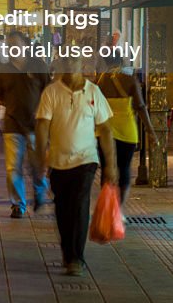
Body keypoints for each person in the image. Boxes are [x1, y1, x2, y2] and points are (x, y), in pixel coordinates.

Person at [35, 67, 117, 277]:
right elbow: (43, 125)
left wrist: (110, 164)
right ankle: (67, 251)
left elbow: (105, 129)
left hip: (86, 160)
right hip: (58, 162)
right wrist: (40, 156)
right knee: (63, 209)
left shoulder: (93, 92)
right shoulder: (51, 92)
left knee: (80, 205)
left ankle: (76, 258)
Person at [0, 31, 50, 218]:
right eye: (9, 45)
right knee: (13, 167)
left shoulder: (38, 66)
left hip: (36, 126)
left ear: (25, 45)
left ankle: (39, 192)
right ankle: (18, 204)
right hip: (12, 125)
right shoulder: (4, 69)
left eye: (16, 45)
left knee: (37, 166)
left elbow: (50, 93)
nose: (12, 49)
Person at [96, 61, 157, 208]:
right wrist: (150, 130)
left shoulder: (101, 80)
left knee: (106, 167)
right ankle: (119, 208)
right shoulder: (130, 80)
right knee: (124, 168)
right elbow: (140, 106)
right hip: (127, 131)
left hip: (105, 131)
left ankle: (107, 206)